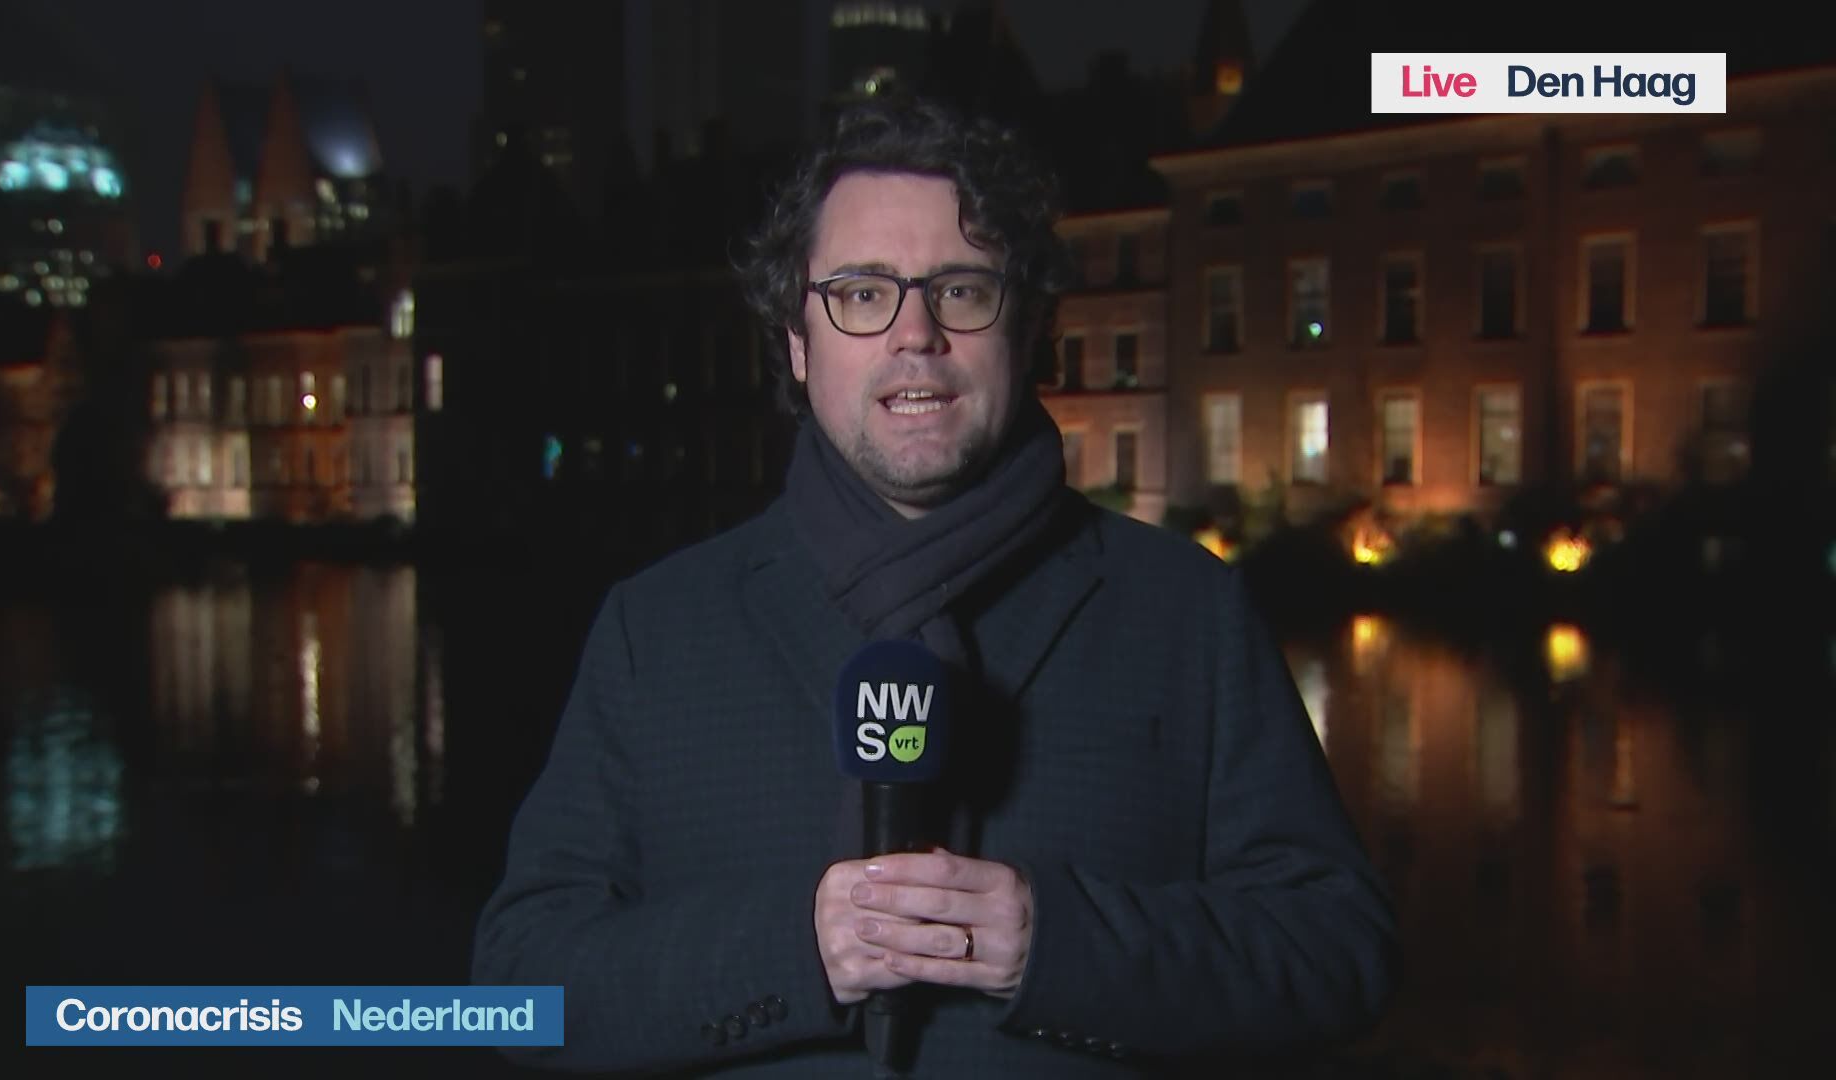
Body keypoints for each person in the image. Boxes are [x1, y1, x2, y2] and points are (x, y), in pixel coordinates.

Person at [472, 97, 1397, 1077]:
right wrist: (792, 951)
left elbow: (1342, 955)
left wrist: (1061, 945)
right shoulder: (654, 629)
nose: (915, 333)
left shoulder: (1188, 613)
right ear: (798, 341)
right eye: (862, 293)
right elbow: (521, 993)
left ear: (1028, 326)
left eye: (961, 289)